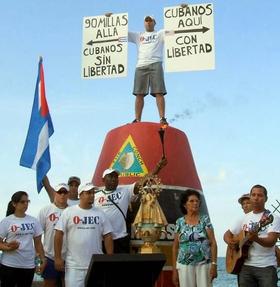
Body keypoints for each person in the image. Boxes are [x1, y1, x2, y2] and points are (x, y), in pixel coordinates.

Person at [94, 156, 167, 253]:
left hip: (120, 238)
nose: (114, 179)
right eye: (110, 176)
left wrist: (158, 167)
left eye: (116, 177)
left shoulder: (125, 190)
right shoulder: (95, 196)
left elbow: (143, 182)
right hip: (101, 239)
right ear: (103, 179)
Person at [54, 183, 113, 287]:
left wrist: (110, 258)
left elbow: (108, 235)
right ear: (80, 195)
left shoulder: (100, 213)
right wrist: (58, 258)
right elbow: (58, 234)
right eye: (88, 193)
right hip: (74, 266)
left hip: (96, 264)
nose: (92, 195)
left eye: (93, 192)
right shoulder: (69, 212)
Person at [224, 184, 280, 287]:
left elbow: (271, 242)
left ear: (265, 198)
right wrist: (230, 242)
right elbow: (227, 234)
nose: (256, 198)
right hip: (245, 266)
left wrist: (256, 238)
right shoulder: (243, 218)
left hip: (266, 267)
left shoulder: (272, 218)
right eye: (253, 195)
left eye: (259, 195)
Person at [128, 15, 169, 125]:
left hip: (156, 64)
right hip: (141, 66)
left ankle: (162, 118)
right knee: (138, 94)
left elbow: (176, 30)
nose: (148, 22)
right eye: (146, 21)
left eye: (150, 21)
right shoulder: (138, 35)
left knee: (159, 92)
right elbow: (120, 33)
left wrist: (182, 10)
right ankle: (137, 119)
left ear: (154, 23)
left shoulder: (160, 34)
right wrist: (109, 18)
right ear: (144, 23)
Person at [172, 189, 218, 287]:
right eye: (192, 201)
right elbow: (175, 247)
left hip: (204, 264)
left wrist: (214, 265)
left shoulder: (205, 220)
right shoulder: (179, 222)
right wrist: (174, 270)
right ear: (185, 205)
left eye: (197, 201)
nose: (195, 203)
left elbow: (213, 243)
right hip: (184, 264)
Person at [0, 191, 46, 287]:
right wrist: (8, 247)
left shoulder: (34, 221)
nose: (25, 204)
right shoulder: (6, 221)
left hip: (28, 265)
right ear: (14, 204)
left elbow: (38, 244)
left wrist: (42, 260)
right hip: (9, 265)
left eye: (27, 201)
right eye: (22, 202)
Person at [38, 183, 69, 287]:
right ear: (55, 193)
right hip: (50, 256)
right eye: (60, 192)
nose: (62, 195)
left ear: (68, 194)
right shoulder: (45, 210)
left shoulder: (73, 211)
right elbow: (37, 235)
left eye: (65, 192)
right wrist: (41, 257)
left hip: (69, 257)